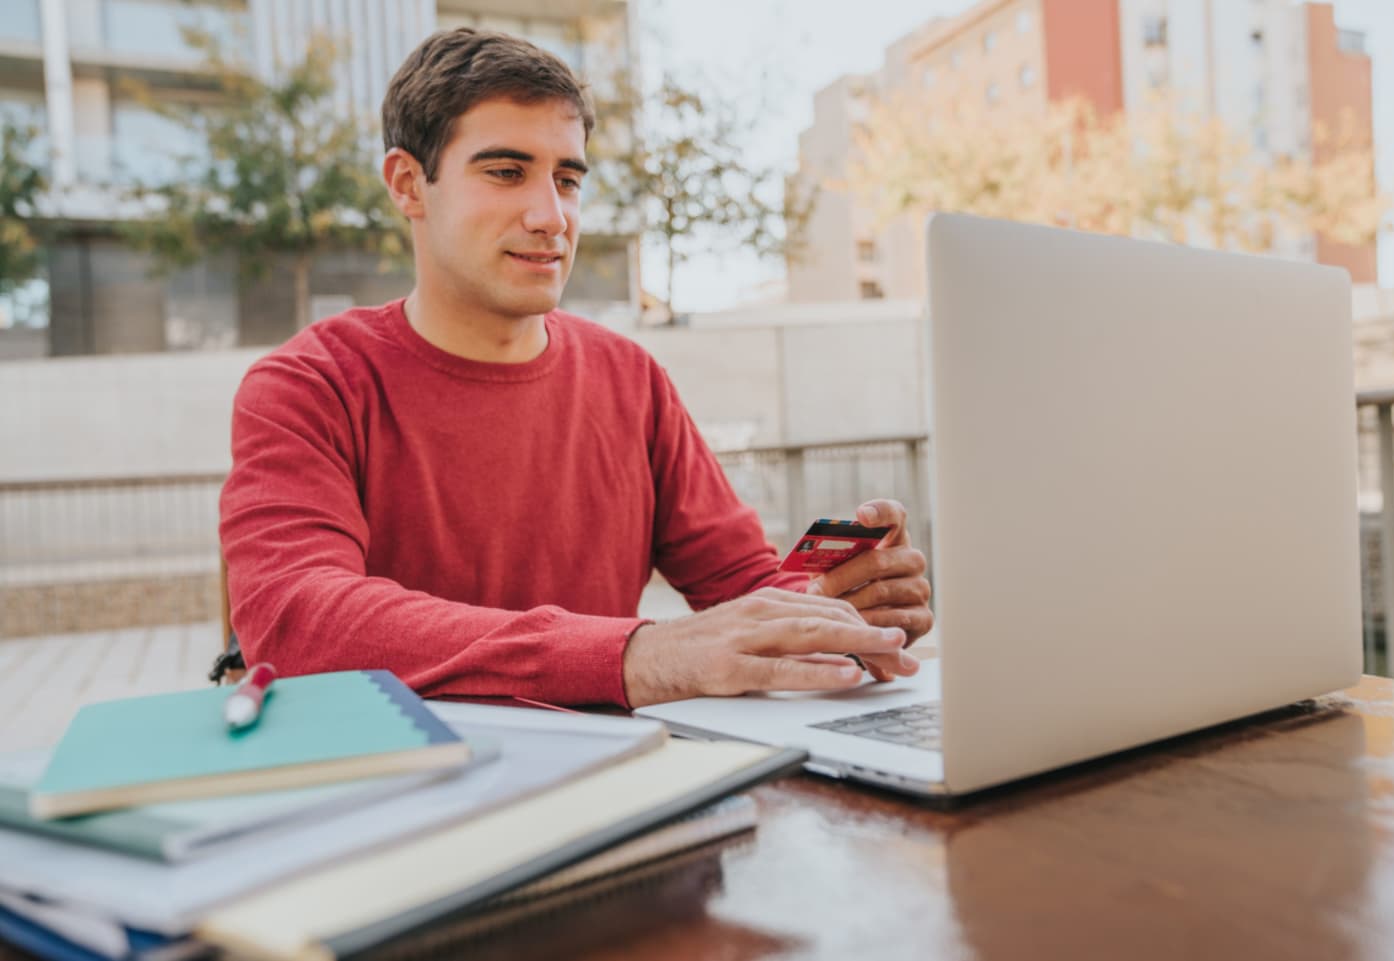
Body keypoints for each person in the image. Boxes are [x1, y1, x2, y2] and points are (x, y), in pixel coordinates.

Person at [218, 28, 933, 708]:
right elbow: (296, 617)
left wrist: (838, 603)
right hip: (400, 798)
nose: (551, 215)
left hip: (617, 793)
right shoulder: (308, 385)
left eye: (567, 179)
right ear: (408, 184)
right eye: (506, 172)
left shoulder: (630, 378)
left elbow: (743, 589)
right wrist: (635, 657)